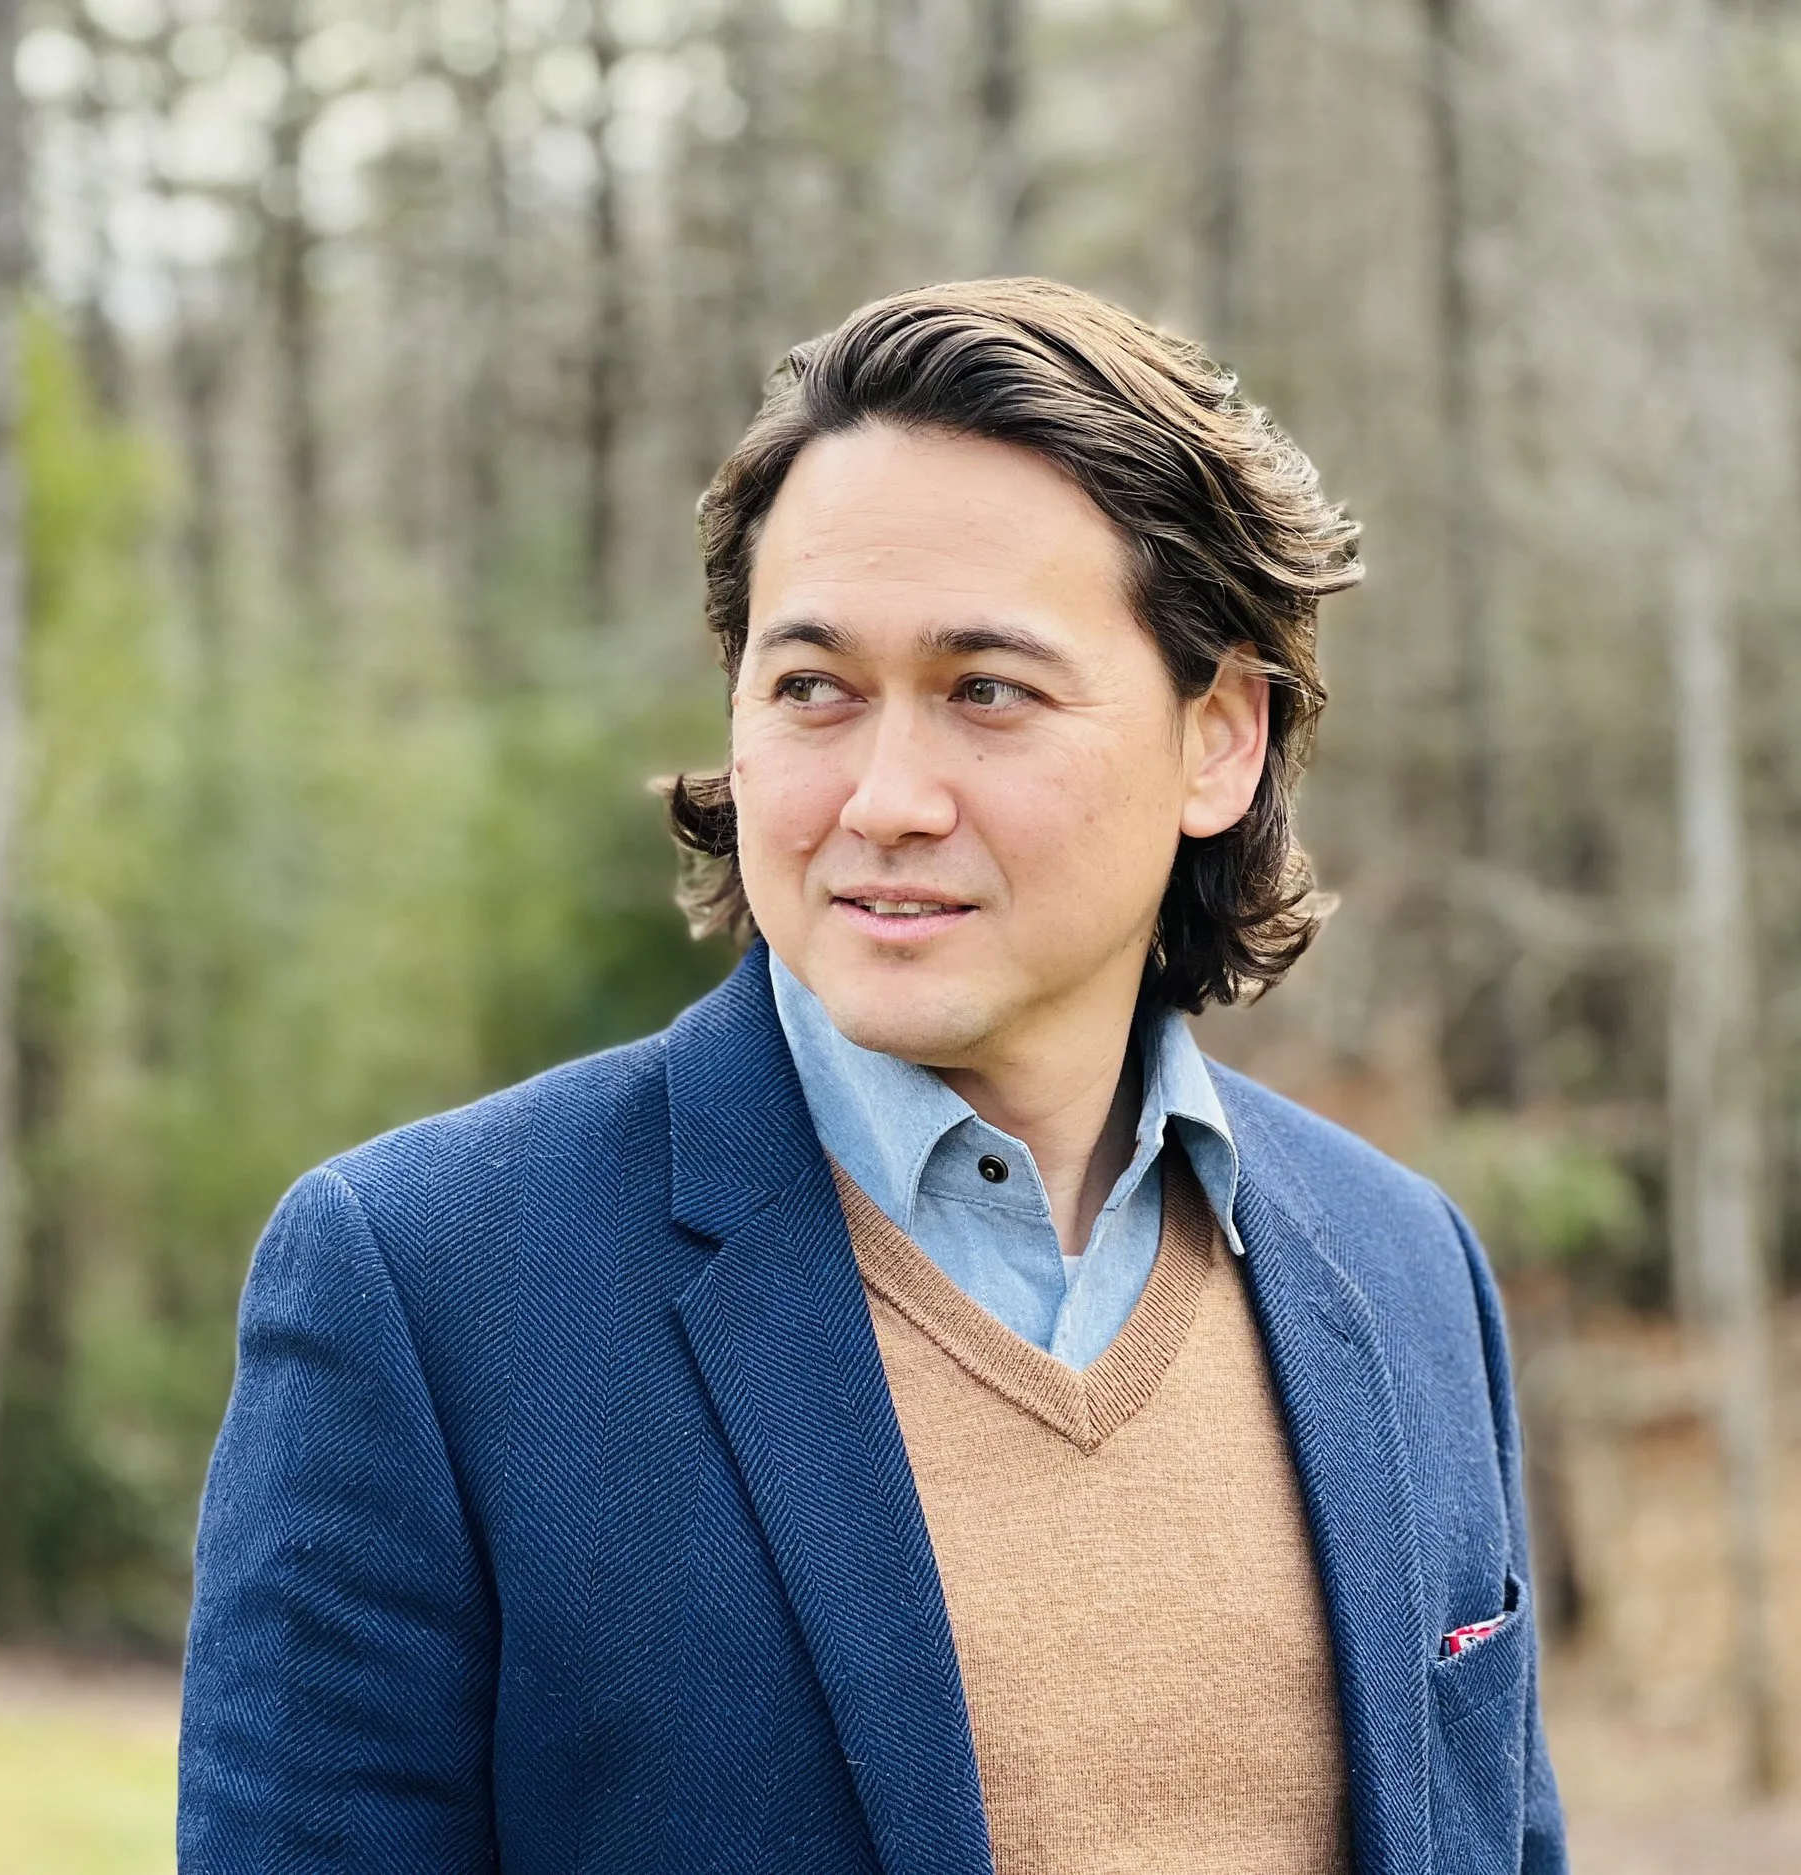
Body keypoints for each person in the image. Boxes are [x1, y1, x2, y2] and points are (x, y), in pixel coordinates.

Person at [176, 279, 1567, 1875]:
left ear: (1220, 740)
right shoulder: (427, 1291)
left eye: (988, 690)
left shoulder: (1408, 1271)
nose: (886, 797)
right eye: (813, 688)